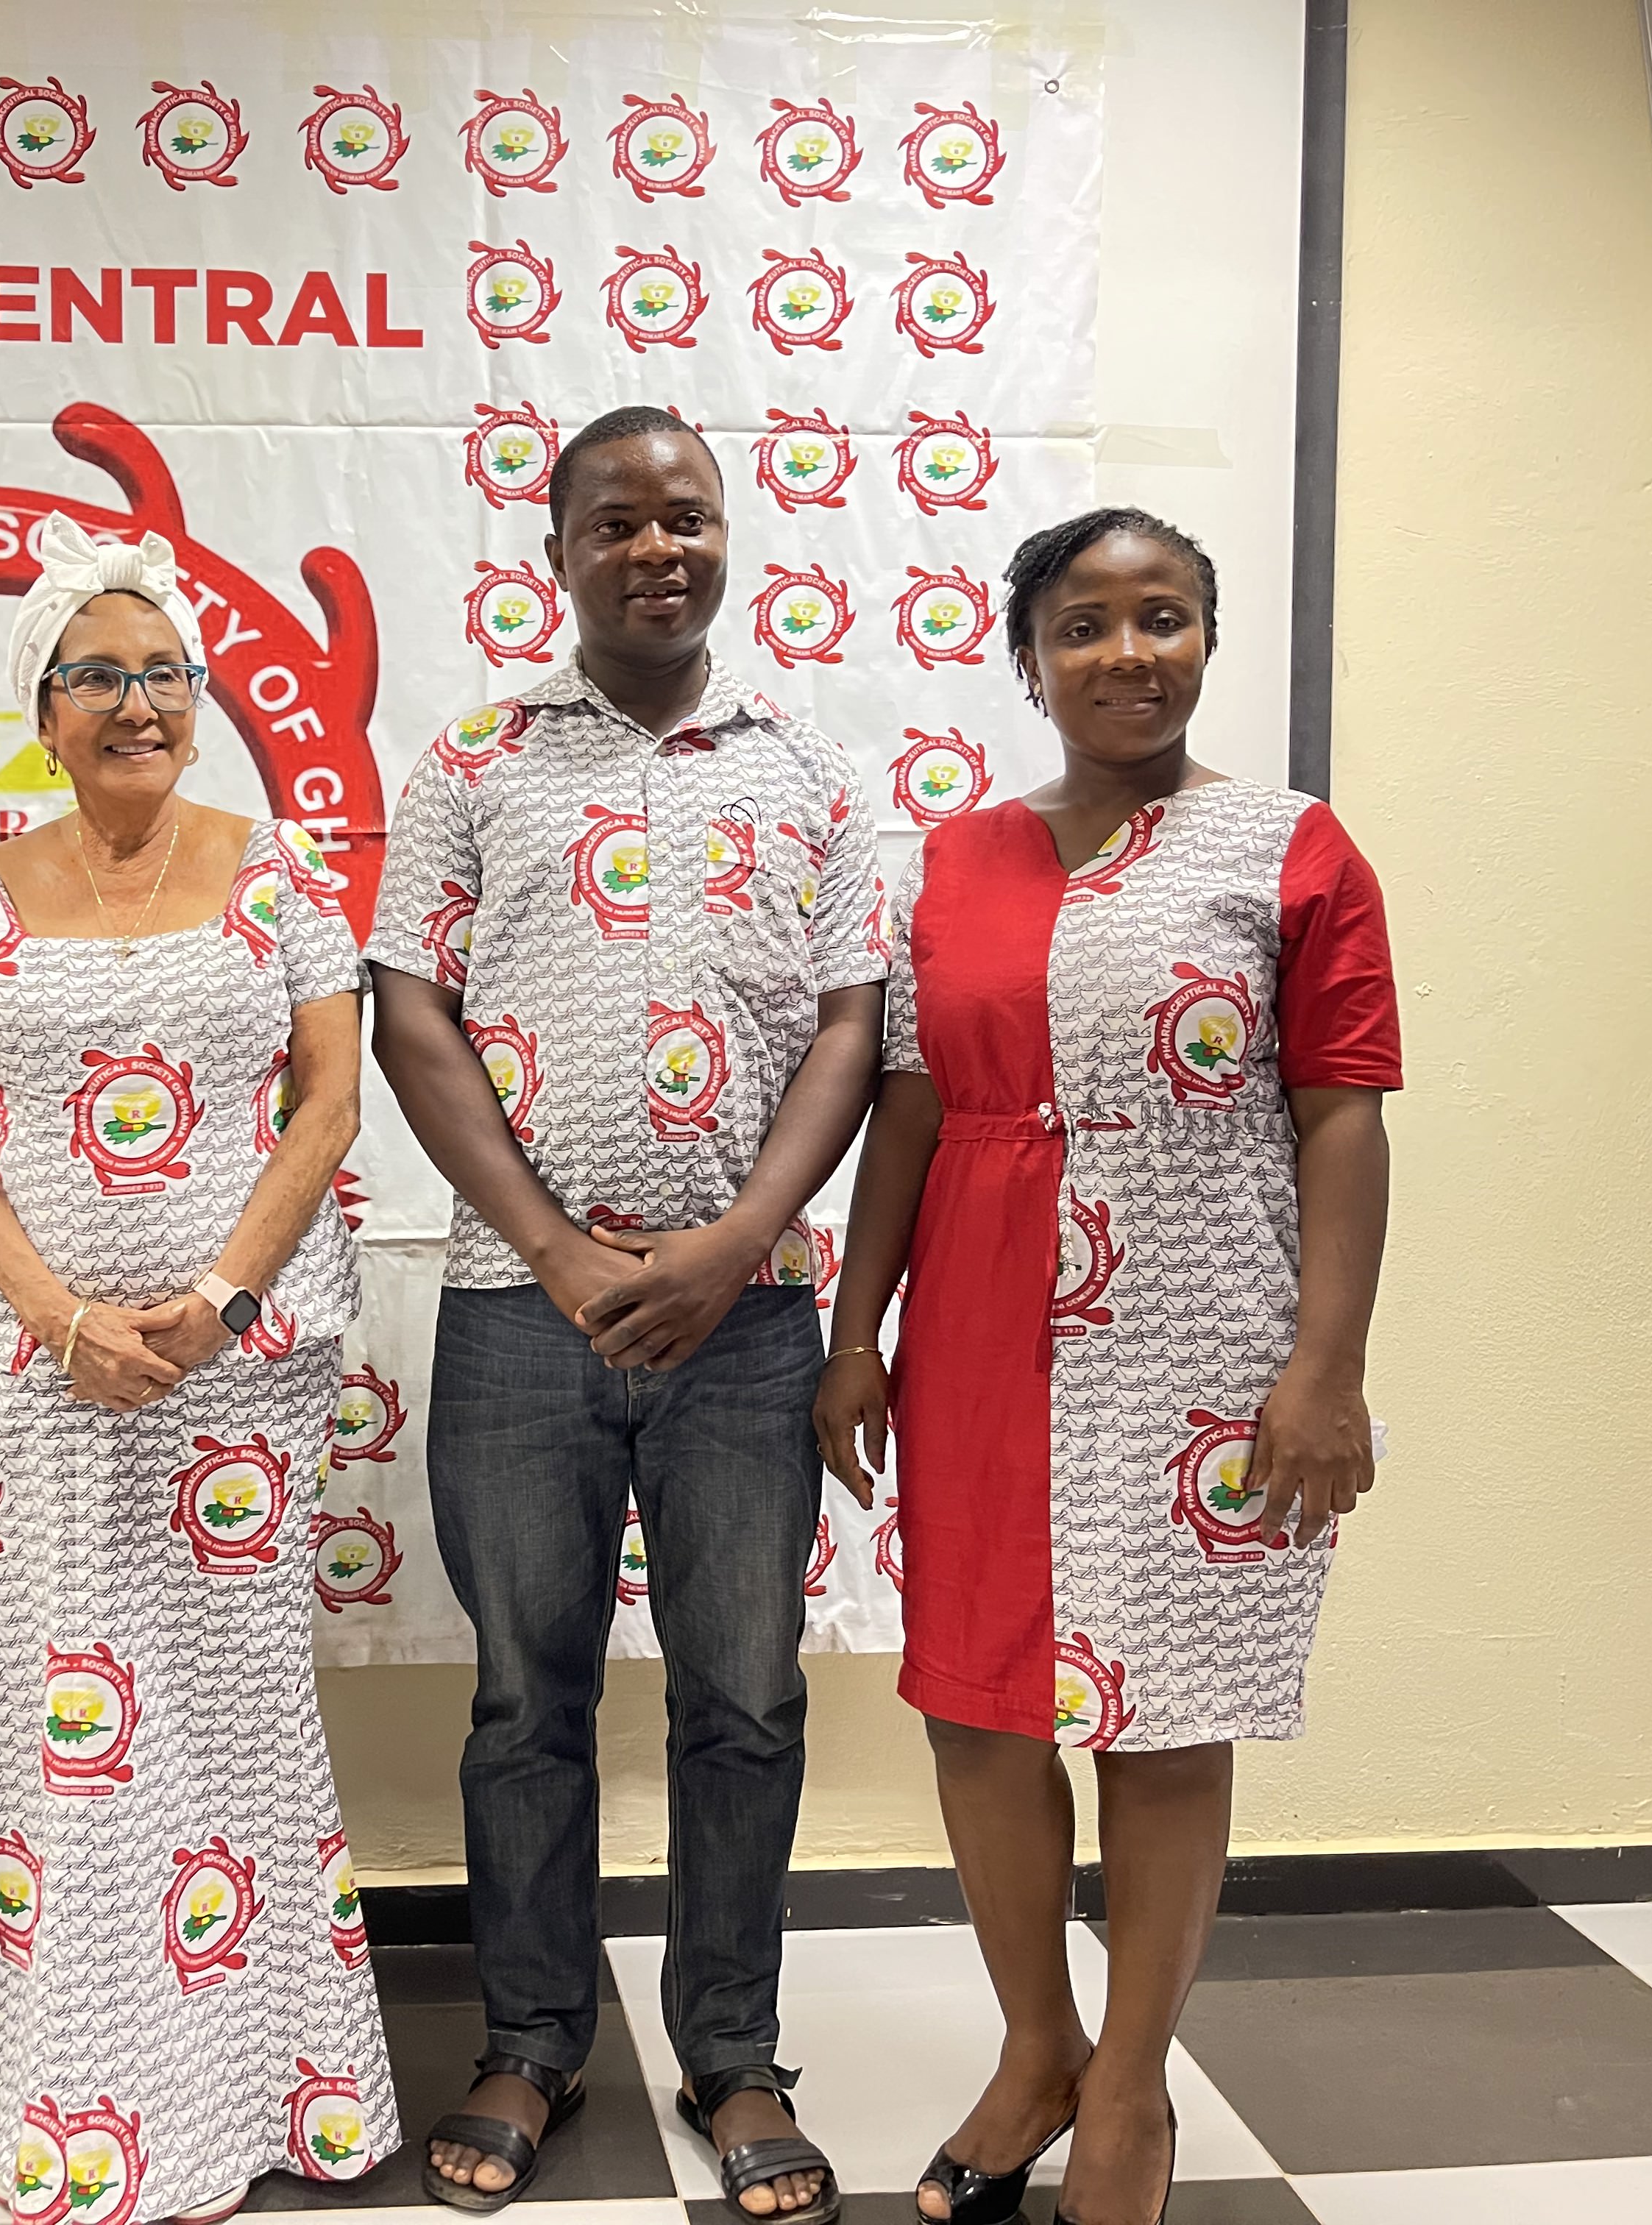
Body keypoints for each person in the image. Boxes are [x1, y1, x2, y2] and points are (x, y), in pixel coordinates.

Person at [815, 509, 1399, 2225]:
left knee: (1163, 1724)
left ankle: (1131, 2092)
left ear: (1208, 642)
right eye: (1084, 626)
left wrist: (1328, 1367)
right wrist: (857, 1337)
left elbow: (1341, 1111)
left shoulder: (1293, 850)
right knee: (979, 1709)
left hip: (1205, 1340)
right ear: (1030, 658)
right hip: (983, 1333)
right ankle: (1035, 2049)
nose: (1125, 655)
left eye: (1163, 620)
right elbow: (910, 1111)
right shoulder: (956, 860)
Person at [368, 406, 883, 2224]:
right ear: (558, 549)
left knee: (743, 1699)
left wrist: (743, 1239)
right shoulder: (477, 762)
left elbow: (849, 1025)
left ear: (728, 539)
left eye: (689, 518)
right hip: (525, 1312)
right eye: (618, 521)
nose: (658, 547)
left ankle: (734, 2054)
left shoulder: (814, 772)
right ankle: (532, 2036)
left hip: (748, 1325)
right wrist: (570, 1256)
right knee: (528, 1703)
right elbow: (409, 1013)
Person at [0, 516, 394, 2224]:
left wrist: (216, 1298)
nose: (138, 700)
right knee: (59, 1712)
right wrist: (56, 1314)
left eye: (163, 671)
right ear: (43, 712)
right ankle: (68, 2075)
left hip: (236, 1371)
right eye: (95, 675)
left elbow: (328, 1100)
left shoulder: (279, 870)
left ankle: (264, 2084)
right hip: (37, 1376)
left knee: (225, 1708)